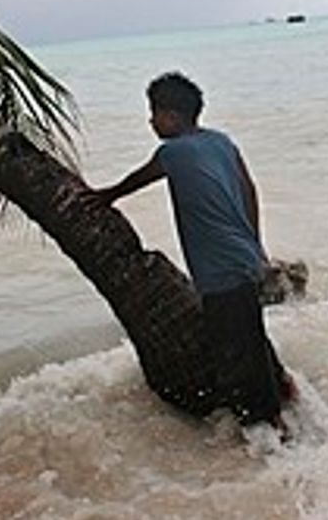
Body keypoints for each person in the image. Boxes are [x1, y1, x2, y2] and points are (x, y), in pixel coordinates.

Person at [91, 71, 295, 434]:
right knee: (249, 333)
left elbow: (136, 180)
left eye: (153, 113)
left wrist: (105, 197)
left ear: (171, 116)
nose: (151, 121)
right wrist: (255, 244)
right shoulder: (222, 142)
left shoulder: (173, 152)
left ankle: (269, 425)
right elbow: (249, 189)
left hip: (218, 270)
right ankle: (284, 390)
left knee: (234, 349)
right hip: (247, 257)